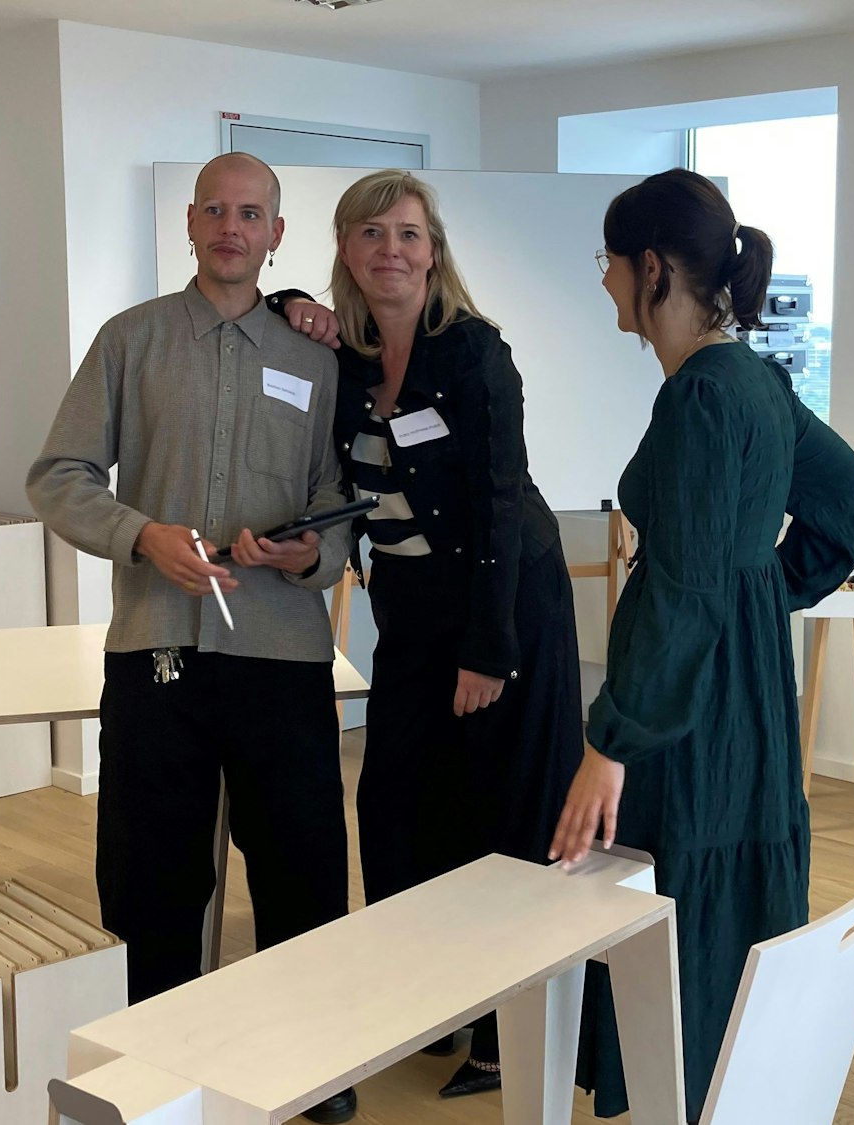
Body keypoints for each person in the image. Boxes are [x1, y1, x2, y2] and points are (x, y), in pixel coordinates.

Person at [27, 152, 361, 1125]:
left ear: (275, 234)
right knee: (149, 874)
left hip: (283, 655)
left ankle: (315, 1065)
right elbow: (58, 475)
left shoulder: (315, 359)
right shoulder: (129, 341)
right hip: (157, 650)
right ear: (189, 221)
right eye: (214, 209)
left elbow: (341, 511)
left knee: (301, 868)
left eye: (249, 212)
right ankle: (156, 1070)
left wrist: (306, 554)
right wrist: (141, 536)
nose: (230, 226)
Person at [551, 168, 854, 1122]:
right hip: (745, 685)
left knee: (680, 890)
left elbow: (684, 590)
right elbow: (845, 501)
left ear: (651, 268)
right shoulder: (757, 380)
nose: (603, 281)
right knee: (727, 891)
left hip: (690, 705)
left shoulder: (699, 396)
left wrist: (611, 740)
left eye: (608, 262)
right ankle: (733, 1093)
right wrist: (766, 591)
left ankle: (681, 1094)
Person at [270, 170, 584, 1100]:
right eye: (370, 236)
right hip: (407, 612)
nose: (390, 251)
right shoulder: (352, 361)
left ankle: (505, 1027)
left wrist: (487, 651)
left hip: (504, 607)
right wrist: (290, 300)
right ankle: (435, 995)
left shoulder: (474, 352)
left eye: (407, 234)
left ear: (433, 250)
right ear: (346, 254)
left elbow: (496, 500)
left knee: (501, 814)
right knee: (401, 809)